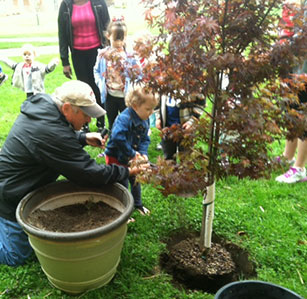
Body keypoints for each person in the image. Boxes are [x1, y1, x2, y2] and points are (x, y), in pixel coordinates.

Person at [0, 80, 148, 266]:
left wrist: (82, 137)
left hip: (22, 185)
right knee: (17, 256)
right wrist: (126, 170)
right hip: (10, 194)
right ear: (68, 108)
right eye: (86, 115)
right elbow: (89, 174)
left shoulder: (45, 107)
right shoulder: (52, 134)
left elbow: (53, 136)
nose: (89, 121)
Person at [104, 85, 158, 215]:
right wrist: (132, 154)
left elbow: (145, 139)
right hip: (116, 157)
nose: (151, 113)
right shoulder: (124, 119)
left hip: (131, 156)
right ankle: (122, 211)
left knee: (135, 180)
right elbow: (117, 137)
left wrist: (143, 153)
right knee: (121, 184)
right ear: (135, 105)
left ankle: (137, 205)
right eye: (148, 109)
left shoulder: (144, 119)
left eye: (153, 109)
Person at [58, 0, 110, 132]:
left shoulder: (99, 2)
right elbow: (62, 35)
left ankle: (101, 123)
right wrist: (65, 61)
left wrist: (110, 51)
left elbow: (107, 26)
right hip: (78, 54)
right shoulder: (66, 5)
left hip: (98, 52)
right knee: (83, 90)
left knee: (98, 87)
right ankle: (83, 123)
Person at [275, 0, 307, 183]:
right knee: (291, 106)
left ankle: (300, 167)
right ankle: (288, 156)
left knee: (302, 110)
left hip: (303, 64)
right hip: (291, 60)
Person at [94, 17, 141, 131]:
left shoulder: (130, 56)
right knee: (112, 122)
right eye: (116, 39)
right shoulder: (103, 55)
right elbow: (96, 71)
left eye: (122, 39)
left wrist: (133, 86)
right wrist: (100, 83)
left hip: (125, 96)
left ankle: (128, 144)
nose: (119, 43)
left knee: (128, 123)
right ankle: (114, 145)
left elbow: (139, 74)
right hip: (109, 95)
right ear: (108, 36)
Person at [155, 93, 205, 160]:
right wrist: (158, 117)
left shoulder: (192, 86)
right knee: (169, 157)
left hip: (186, 128)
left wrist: (191, 121)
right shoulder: (164, 84)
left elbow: (201, 104)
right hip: (167, 127)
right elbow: (156, 100)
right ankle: (170, 169)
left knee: (186, 157)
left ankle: (184, 169)